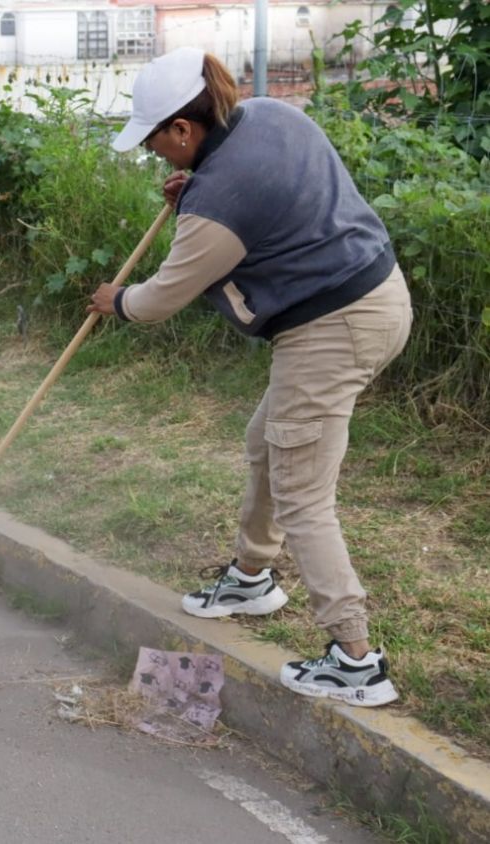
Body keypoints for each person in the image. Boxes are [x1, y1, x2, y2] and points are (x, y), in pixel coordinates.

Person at [91, 47, 412, 707]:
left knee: (302, 494)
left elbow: (159, 299)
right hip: (378, 297)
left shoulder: (217, 200)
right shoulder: (267, 115)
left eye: (154, 141)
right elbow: (262, 197)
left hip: (331, 327)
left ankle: (355, 660)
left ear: (184, 129)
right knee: (266, 441)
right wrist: (196, 190)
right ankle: (250, 577)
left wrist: (115, 301)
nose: (153, 153)